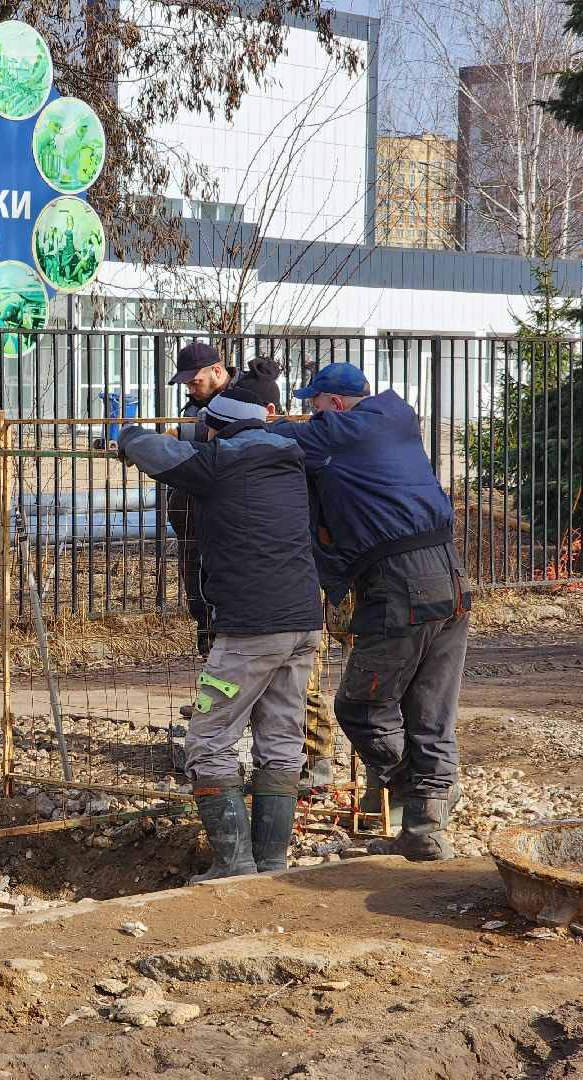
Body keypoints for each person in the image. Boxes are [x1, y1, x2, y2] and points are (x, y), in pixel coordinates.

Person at [118, 388, 323, 882]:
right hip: (303, 622)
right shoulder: (295, 458)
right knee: (281, 738)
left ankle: (232, 866)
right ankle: (271, 864)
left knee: (209, 738)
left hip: (250, 630)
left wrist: (125, 434)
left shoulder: (217, 462)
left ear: (215, 426)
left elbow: (155, 451)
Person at [271, 362, 470, 861]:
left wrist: (233, 421)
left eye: (314, 403)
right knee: (430, 710)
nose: (309, 412)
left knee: (360, 706)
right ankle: (425, 833)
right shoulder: (395, 420)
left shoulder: (340, 432)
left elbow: (274, 440)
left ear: (335, 403)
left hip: (402, 584)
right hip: (451, 577)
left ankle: (427, 793)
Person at [234, 358, 339, 795]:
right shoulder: (299, 440)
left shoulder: (307, 445)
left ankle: (318, 766)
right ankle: (283, 770)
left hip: (312, 571)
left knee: (308, 683)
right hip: (290, 574)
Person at [164, 341, 237, 656]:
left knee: (221, 591)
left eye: (196, 381)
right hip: (191, 518)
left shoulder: (242, 400)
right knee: (197, 591)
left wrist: (180, 435)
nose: (192, 389)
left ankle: (223, 691)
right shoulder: (199, 400)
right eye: (188, 383)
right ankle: (212, 684)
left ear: (217, 371)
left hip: (223, 518)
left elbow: (229, 438)